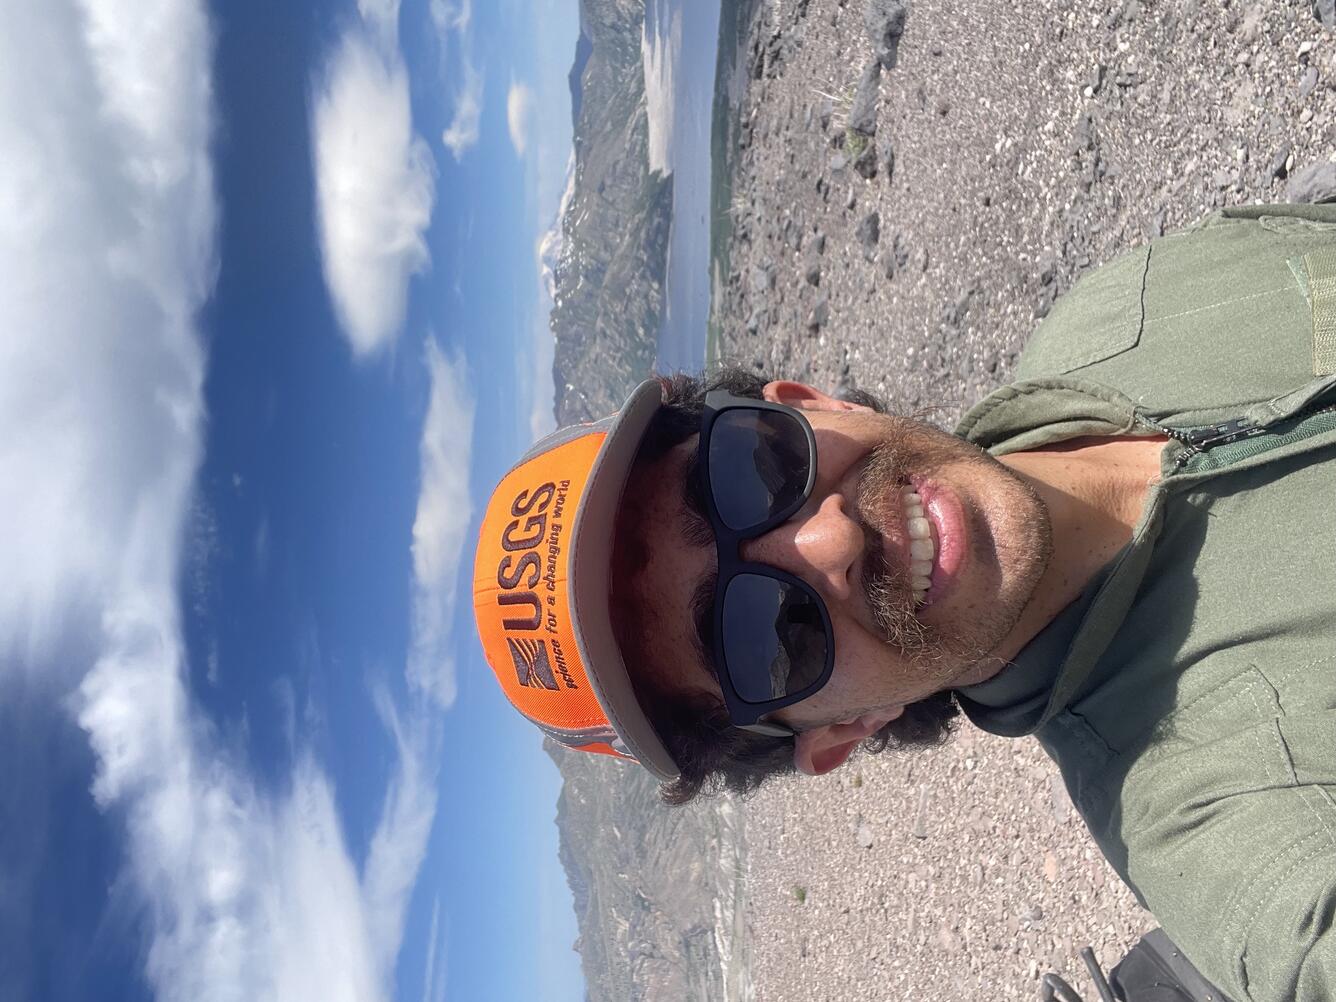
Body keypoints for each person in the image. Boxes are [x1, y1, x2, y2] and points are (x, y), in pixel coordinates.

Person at [471, 202, 1336, 1001]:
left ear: (812, 404)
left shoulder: (1119, 314)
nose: (832, 541)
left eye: (751, 468)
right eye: (759, 637)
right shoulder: (1239, 831)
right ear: (844, 733)